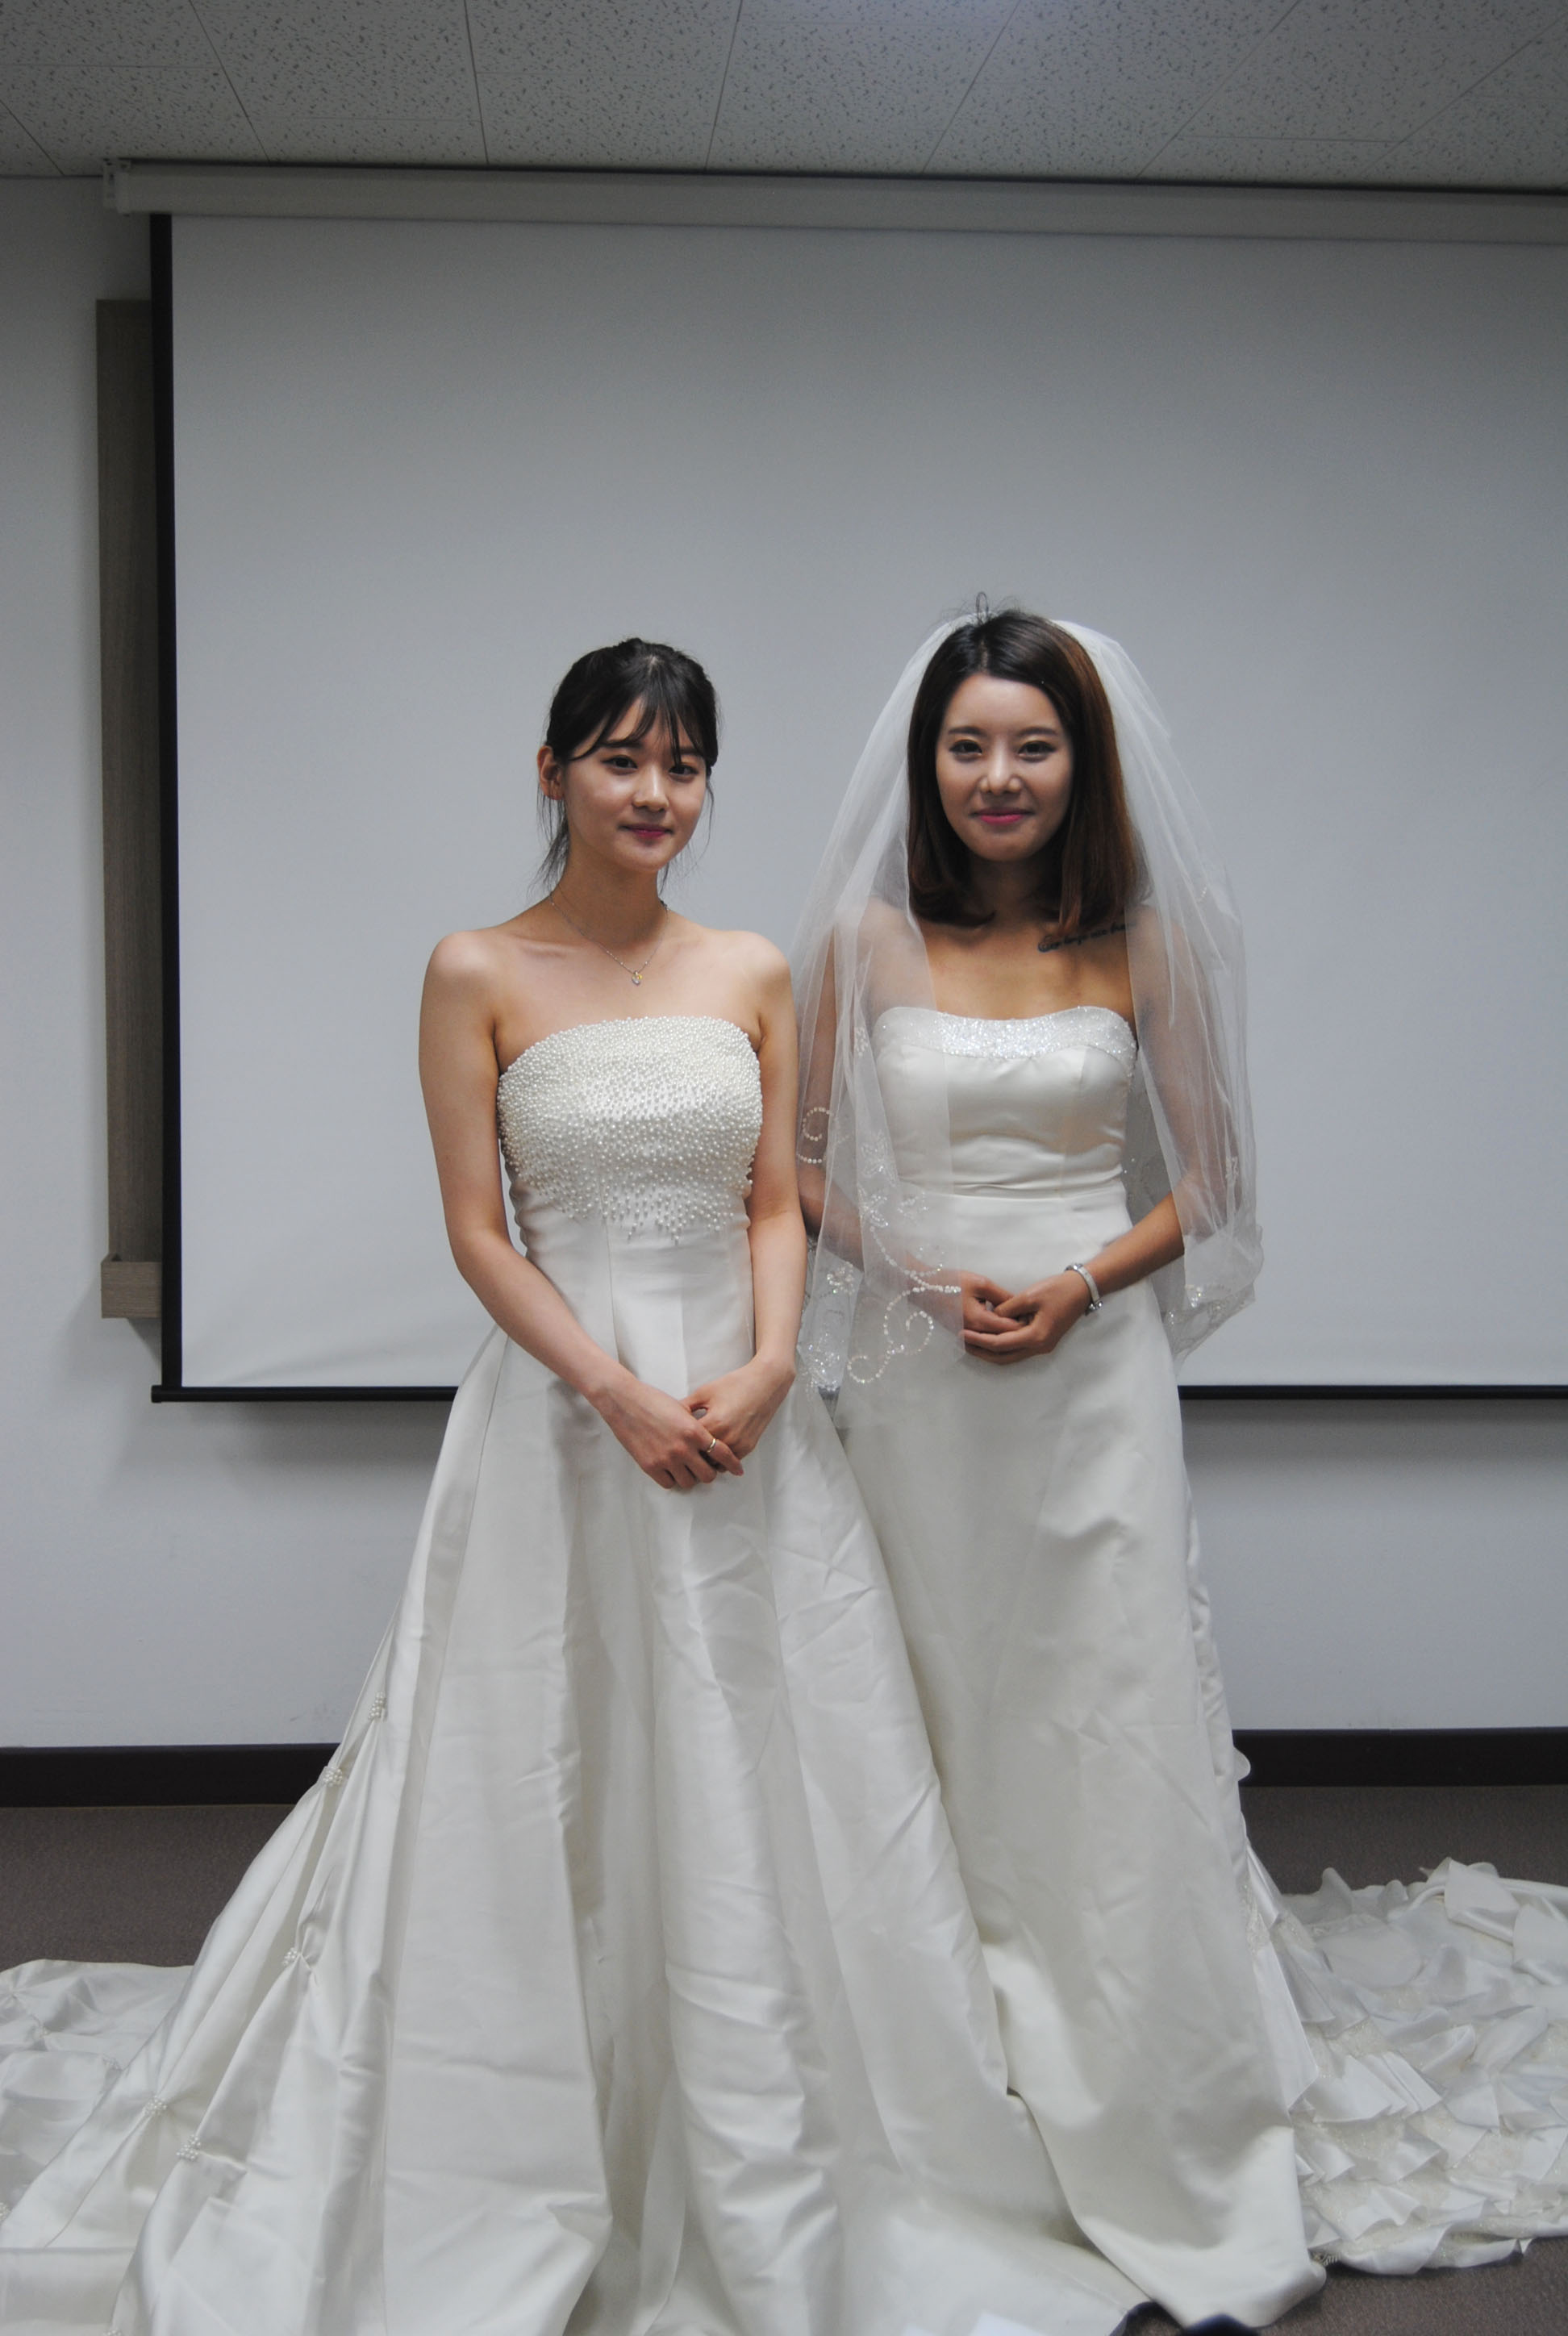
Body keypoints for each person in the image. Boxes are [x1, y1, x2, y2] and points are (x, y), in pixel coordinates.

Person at [0, 639, 1145, 2336]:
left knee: (773, 1764)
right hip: (563, 1411)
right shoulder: (475, 968)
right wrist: (610, 1390)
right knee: (547, 1754)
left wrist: (771, 1365)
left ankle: (795, 2136)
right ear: (554, 774)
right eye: (621, 760)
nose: (655, 795)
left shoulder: (753, 967)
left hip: (745, 1415)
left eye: (684, 766)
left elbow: (777, 1199)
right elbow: (478, 1231)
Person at [793, 607, 1568, 2328]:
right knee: (928, 1695)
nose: (1000, 776)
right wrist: (915, 1277)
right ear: (928, 764)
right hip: (922, 1379)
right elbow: (799, 1166)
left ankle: (1137, 2039)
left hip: (1091, 1377)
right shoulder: (859, 938)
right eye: (969, 745)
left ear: (1085, 763)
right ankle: (940, 2051)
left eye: (1034, 744)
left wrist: (1077, 1283)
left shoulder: (1140, 941)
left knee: (1104, 1697)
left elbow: (1210, 1186)